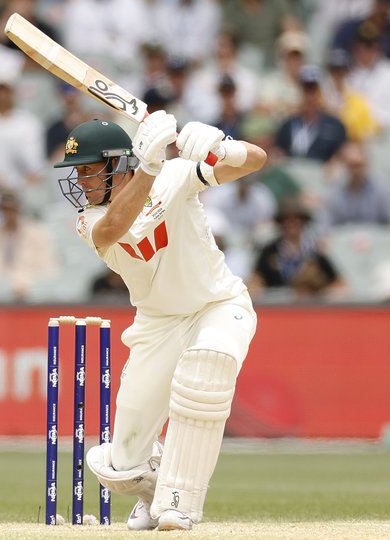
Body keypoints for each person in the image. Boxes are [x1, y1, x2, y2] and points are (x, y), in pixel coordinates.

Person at [53, 113, 266, 530]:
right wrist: (149, 168)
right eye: (76, 172)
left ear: (116, 164)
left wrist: (226, 146)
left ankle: (179, 502)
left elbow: (257, 160)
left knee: (208, 364)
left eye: (88, 170)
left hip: (218, 304)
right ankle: (155, 491)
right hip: (158, 324)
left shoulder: (176, 175)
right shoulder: (89, 220)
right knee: (119, 465)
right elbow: (116, 226)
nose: (80, 181)